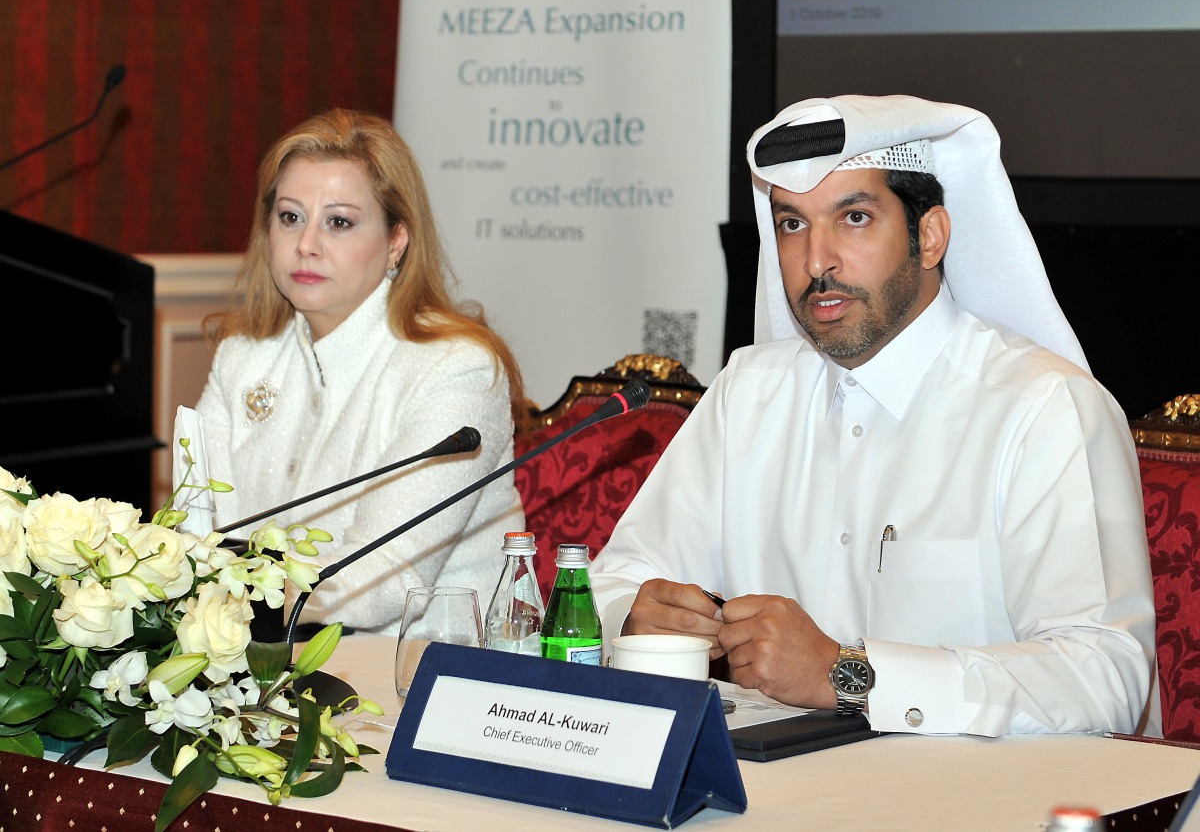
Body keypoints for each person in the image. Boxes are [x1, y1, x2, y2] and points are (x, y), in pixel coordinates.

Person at [589, 94, 1158, 737]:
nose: (816, 262)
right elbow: (617, 584)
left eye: (853, 217)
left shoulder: (1045, 410)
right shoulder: (747, 393)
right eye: (792, 224)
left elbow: (1103, 676)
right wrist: (635, 621)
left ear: (930, 236)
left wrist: (848, 676)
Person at [194, 108, 530, 635]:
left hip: (421, 672)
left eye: (339, 222)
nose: (307, 244)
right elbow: (197, 526)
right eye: (290, 217)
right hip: (262, 660)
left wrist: (220, 594)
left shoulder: (457, 369)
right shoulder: (243, 357)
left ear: (397, 240)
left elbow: (382, 585)